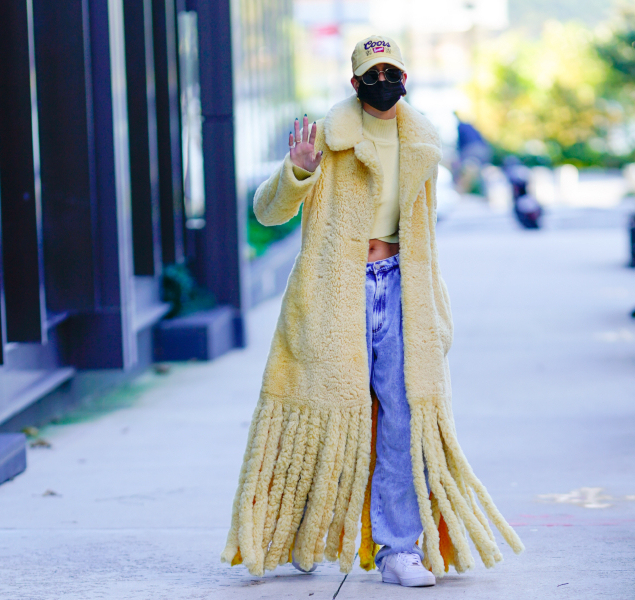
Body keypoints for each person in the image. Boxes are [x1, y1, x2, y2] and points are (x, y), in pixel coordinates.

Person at [220, 35, 524, 588]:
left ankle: (398, 549)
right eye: (373, 72)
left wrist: (435, 307)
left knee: (403, 420)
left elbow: (425, 237)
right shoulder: (328, 140)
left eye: (393, 71)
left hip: (403, 290)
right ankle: (305, 533)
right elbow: (267, 213)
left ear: (405, 78)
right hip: (338, 295)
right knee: (328, 414)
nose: (384, 80)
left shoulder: (422, 143)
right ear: (355, 81)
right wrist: (297, 171)